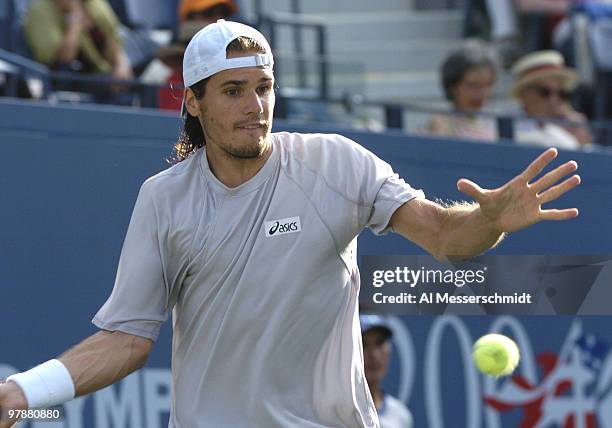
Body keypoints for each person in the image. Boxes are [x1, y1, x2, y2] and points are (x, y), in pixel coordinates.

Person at [0, 20, 581, 428]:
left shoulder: (336, 161)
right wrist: (24, 395)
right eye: (233, 92)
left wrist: (490, 220)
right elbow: (126, 341)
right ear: (194, 103)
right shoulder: (163, 200)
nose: (255, 107)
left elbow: (445, 236)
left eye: (263, 87)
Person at [512, 50, 593, 149]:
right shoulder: (510, 127)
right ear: (525, 94)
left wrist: (580, 136)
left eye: (561, 93)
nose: (554, 100)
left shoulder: (568, 127)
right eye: (545, 92)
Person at [425, 40, 499, 142]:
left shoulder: (497, 124)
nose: (481, 93)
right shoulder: (441, 125)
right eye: (472, 85)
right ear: (453, 87)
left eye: (487, 85)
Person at [361, 314, 413, 428]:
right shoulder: (338, 411)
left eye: (379, 343)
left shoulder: (401, 416)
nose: (373, 355)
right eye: (364, 345)